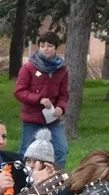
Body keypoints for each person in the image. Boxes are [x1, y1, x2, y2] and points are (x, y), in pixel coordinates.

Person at [14, 31, 69, 167]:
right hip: (32, 118)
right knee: (25, 151)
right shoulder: (29, 68)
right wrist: (39, 99)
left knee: (61, 149)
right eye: (42, 45)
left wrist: (60, 108)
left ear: (56, 48)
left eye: (49, 46)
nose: (45, 49)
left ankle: (57, 181)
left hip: (52, 119)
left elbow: (64, 95)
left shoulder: (62, 70)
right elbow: (19, 91)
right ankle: (21, 179)